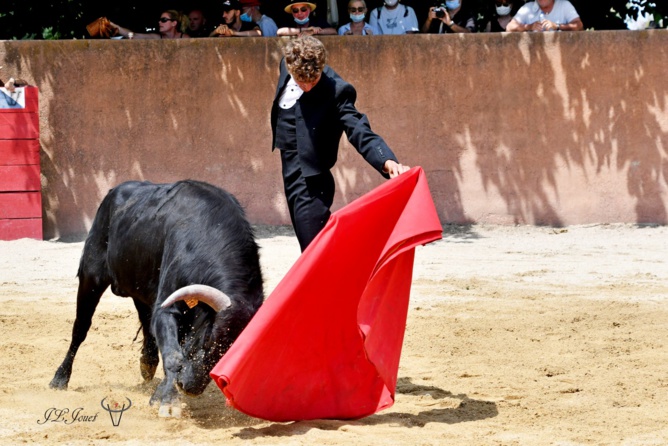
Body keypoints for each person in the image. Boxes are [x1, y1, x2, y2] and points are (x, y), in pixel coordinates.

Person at [272, 36, 410, 252]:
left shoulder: (337, 90)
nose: (307, 87)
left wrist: (387, 161)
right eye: (300, 80)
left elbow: (358, 129)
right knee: (310, 245)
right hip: (289, 169)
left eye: (313, 80)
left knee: (313, 250)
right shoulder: (285, 64)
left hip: (312, 179)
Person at [505, 0, 583, 32]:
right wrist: (528, 27)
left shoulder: (564, 5)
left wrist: (557, 26)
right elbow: (509, 27)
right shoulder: (527, 7)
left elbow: (579, 25)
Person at [111, 10, 191, 39]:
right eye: (160, 20)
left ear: (174, 23)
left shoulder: (185, 38)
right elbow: (133, 35)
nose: (159, 22)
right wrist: (114, 26)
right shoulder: (157, 37)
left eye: (164, 20)